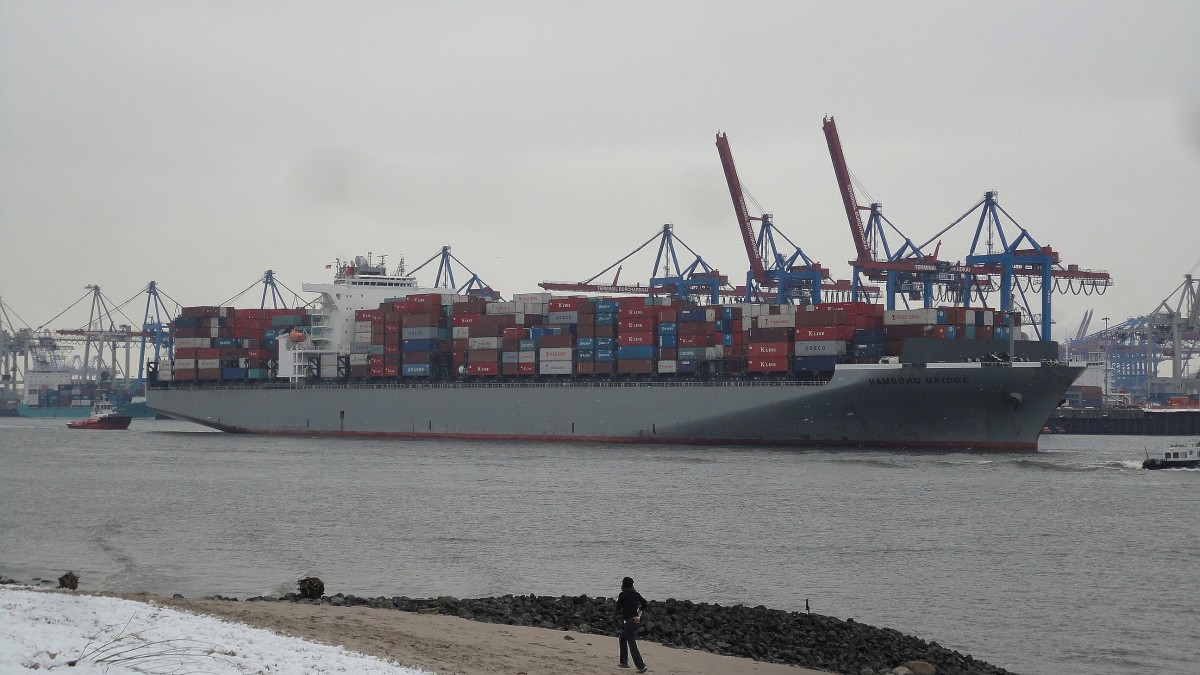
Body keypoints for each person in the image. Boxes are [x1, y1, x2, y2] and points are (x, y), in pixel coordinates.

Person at [617, 576, 648, 672]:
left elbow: (618, 608)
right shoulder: (636, 594)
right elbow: (645, 603)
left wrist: (619, 603)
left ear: (624, 584)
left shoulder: (622, 595)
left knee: (632, 644)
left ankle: (641, 666)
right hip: (635, 621)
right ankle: (624, 662)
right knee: (622, 638)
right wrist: (639, 610)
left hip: (628, 622)